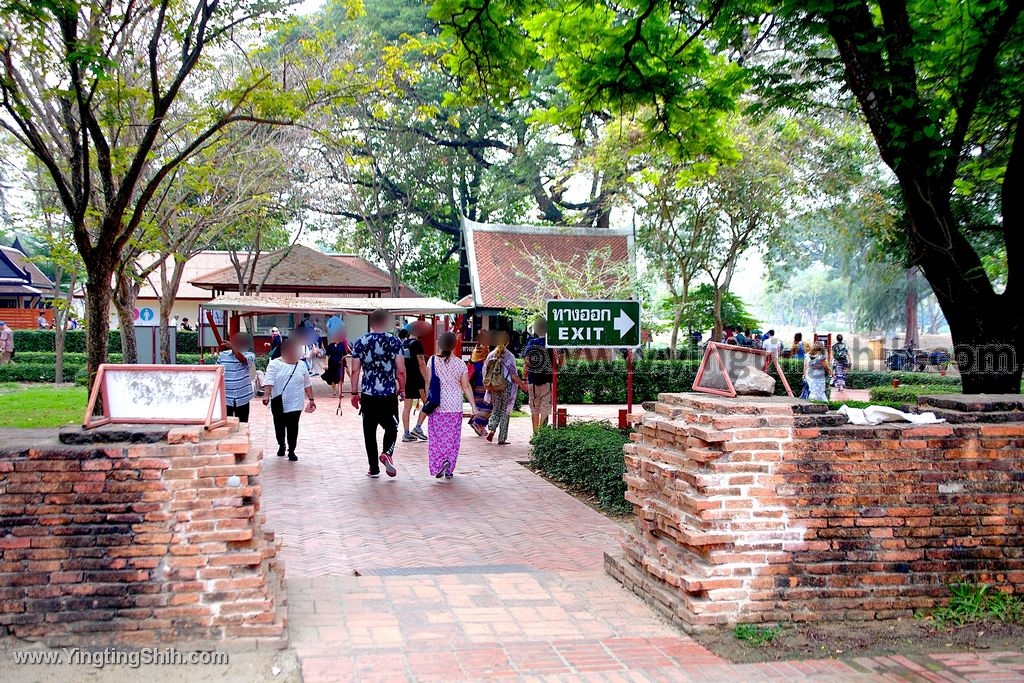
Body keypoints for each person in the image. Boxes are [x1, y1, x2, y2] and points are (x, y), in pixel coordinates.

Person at [350, 309, 406, 478]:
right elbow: (401, 370)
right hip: (388, 393)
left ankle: (373, 468)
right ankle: (387, 453)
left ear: (371, 322)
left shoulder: (360, 342)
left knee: (369, 431)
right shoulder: (395, 342)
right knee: (392, 426)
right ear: (386, 322)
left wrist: (354, 393)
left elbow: (354, 370)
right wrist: (402, 388)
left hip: (368, 394)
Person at [425, 332, 478, 479]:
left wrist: (426, 399)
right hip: (455, 406)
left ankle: (440, 463)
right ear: (455, 345)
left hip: (437, 405)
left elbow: (429, 382)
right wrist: (473, 406)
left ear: (440, 344)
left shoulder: (433, 361)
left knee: (437, 437)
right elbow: (466, 386)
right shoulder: (460, 364)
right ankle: (449, 465)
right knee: (453, 438)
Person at [262, 339, 316, 461]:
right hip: (278, 400)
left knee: (293, 426)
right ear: (284, 352)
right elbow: (269, 380)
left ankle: (292, 450)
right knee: (279, 425)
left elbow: (307, 383)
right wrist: (266, 395)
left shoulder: (301, 365)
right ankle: (281, 444)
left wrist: (311, 399)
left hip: (296, 402)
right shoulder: (275, 364)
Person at [483, 331, 528, 444]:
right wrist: (522, 385)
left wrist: (489, 385)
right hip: (506, 385)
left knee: (496, 408)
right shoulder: (509, 356)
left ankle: (492, 429)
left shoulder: (491, 354)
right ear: (507, 342)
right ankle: (502, 438)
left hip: (494, 385)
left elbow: (485, 371)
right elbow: (513, 375)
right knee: (505, 411)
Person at [523, 317, 558, 433]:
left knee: (534, 408)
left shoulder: (531, 343)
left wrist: (524, 377)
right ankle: (542, 435)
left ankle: (535, 434)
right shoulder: (552, 343)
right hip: (548, 380)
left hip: (533, 380)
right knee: (545, 408)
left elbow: (526, 361)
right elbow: (560, 359)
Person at [216, 332, 256, 423]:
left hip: (242, 398)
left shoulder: (249, 355)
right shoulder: (223, 356)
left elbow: (243, 360)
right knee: (226, 425)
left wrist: (232, 348)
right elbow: (216, 372)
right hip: (226, 397)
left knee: (242, 424)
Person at [401, 322, 430, 443]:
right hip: (418, 380)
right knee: (427, 403)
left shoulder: (404, 343)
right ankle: (418, 427)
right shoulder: (417, 344)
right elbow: (421, 363)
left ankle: (406, 433)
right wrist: (427, 378)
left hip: (407, 380)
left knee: (406, 407)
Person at [467, 331, 493, 437]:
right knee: (488, 405)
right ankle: (477, 422)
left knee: (480, 406)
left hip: (475, 382)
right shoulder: (485, 350)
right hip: (482, 381)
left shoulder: (475, 350)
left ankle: (480, 425)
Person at [322, 330, 350, 398]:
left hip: (340, 363)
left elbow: (344, 355)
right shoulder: (330, 346)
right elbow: (327, 355)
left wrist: (346, 364)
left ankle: (340, 391)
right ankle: (334, 392)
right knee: (333, 378)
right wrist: (326, 364)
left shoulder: (342, 346)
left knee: (340, 377)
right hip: (332, 363)